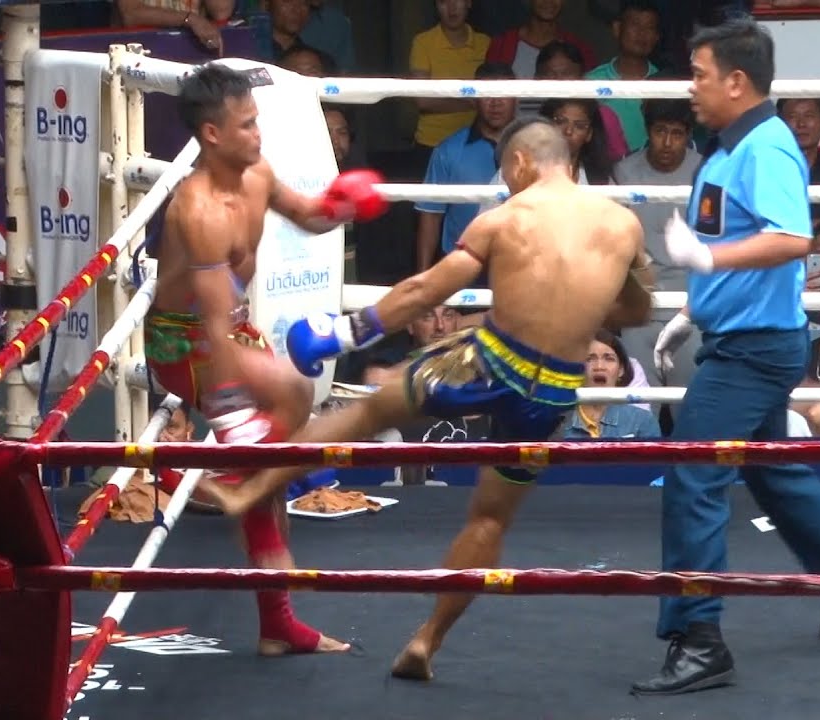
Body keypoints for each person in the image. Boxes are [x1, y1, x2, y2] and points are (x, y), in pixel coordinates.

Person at [198, 116, 657, 680]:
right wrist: (577, 300)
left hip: (488, 362)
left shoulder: (506, 218)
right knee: (489, 519)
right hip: (551, 391)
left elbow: (424, 290)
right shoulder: (623, 225)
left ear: (519, 164)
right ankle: (425, 642)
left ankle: (253, 490)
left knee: (367, 410)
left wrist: (345, 333)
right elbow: (636, 310)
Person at [630, 17, 820, 697]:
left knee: (692, 473)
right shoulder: (730, 148)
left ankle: (699, 637)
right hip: (744, 337)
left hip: (755, 350)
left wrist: (704, 259)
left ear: (737, 81)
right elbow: (738, 245)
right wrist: (693, 306)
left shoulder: (764, 147)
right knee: (778, 475)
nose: (692, 87)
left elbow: (793, 239)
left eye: (700, 74)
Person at [141, 61, 388, 656]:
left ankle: (274, 619)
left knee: (264, 467)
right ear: (212, 135)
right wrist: (232, 409)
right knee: (283, 416)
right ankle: (234, 482)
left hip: (230, 328)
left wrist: (349, 204)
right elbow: (209, 323)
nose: (259, 134)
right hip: (185, 341)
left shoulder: (256, 173)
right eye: (248, 125)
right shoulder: (196, 211)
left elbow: (308, 215)